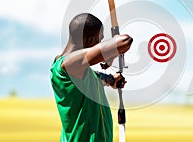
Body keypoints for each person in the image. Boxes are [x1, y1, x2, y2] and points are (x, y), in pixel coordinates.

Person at [50, 13, 133, 142]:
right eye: (99, 40)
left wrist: (111, 80)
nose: (99, 44)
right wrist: (110, 52)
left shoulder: (80, 71)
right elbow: (124, 41)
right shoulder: (68, 64)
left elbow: (96, 79)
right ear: (89, 40)